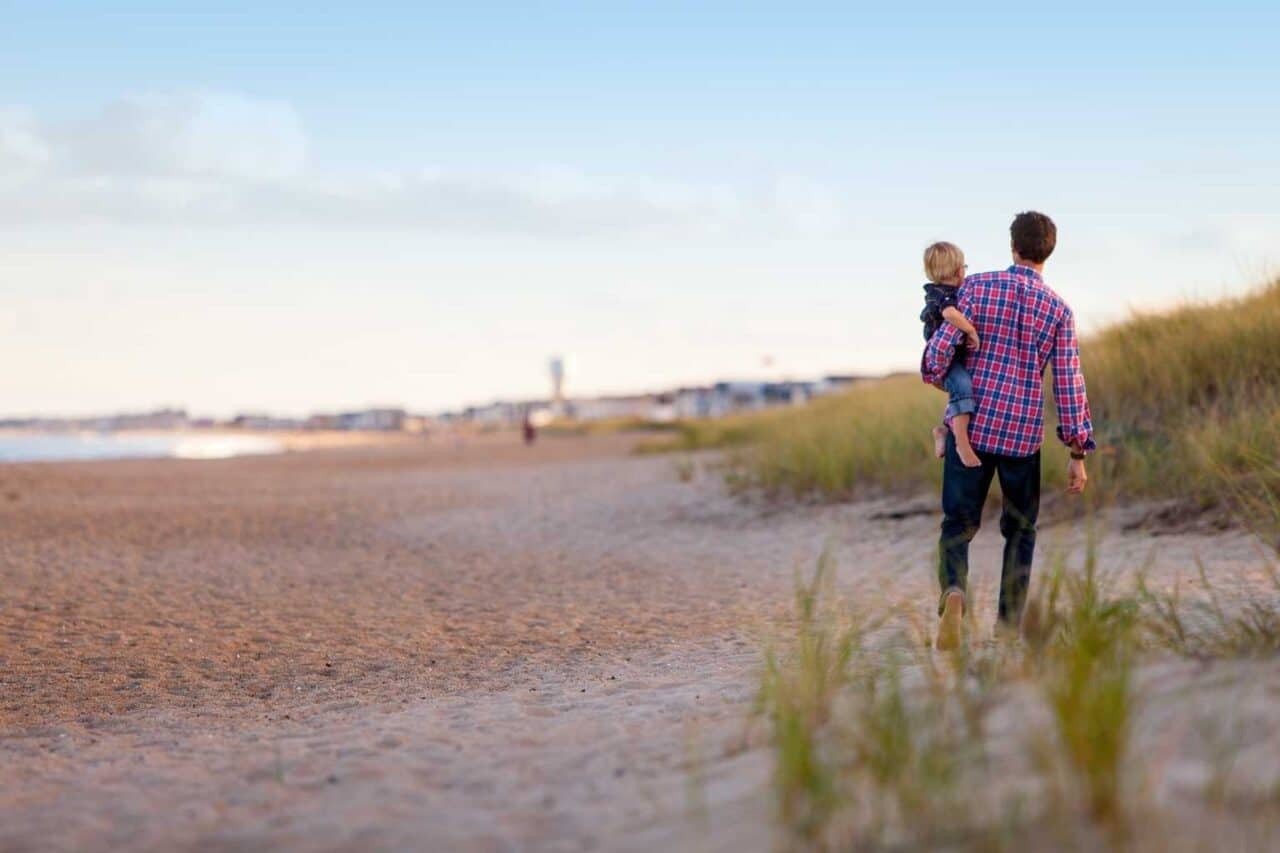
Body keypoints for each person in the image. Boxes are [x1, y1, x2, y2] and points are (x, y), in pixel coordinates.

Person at [922, 211, 1095, 650]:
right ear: (1048, 252)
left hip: (974, 429)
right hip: (1022, 436)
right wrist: (1077, 453)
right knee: (1020, 530)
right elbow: (1069, 383)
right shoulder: (1059, 309)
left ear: (1013, 246)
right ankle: (1008, 626)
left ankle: (954, 592)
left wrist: (938, 372)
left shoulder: (976, 286)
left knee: (957, 525)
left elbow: (939, 351)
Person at [919, 241, 982, 468]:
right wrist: (970, 330)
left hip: (953, 356)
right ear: (958, 270)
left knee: (960, 392)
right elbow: (950, 314)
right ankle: (962, 445)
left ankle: (944, 431)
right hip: (945, 359)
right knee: (963, 386)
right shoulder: (944, 295)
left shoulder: (946, 291)